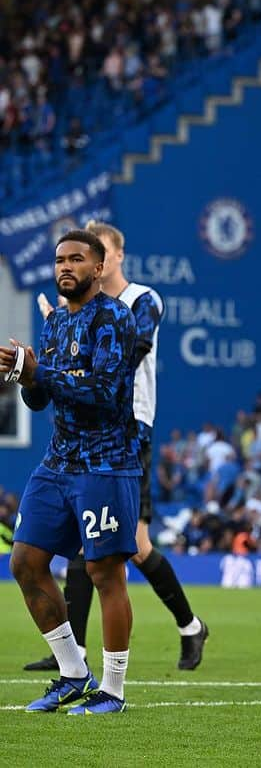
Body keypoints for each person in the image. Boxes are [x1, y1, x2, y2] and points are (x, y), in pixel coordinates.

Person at [24, 220, 209, 674]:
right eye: (63, 258)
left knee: (122, 549)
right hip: (72, 441)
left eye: (86, 254)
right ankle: (78, 655)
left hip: (128, 428)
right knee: (92, 550)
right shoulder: (69, 315)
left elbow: (127, 358)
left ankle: (181, 628)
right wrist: (45, 356)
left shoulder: (137, 303)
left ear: (112, 257)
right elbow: (45, 388)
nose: (72, 264)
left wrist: (61, 355)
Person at [0, 230, 140, 714]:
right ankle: (73, 672)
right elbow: (42, 398)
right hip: (59, 461)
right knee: (24, 561)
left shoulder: (117, 320)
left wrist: (41, 373)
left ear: (98, 268)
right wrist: (24, 375)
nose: (65, 266)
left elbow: (101, 392)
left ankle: (114, 691)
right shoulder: (56, 324)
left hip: (106, 462)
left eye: (76, 259)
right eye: (60, 259)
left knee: (105, 572)